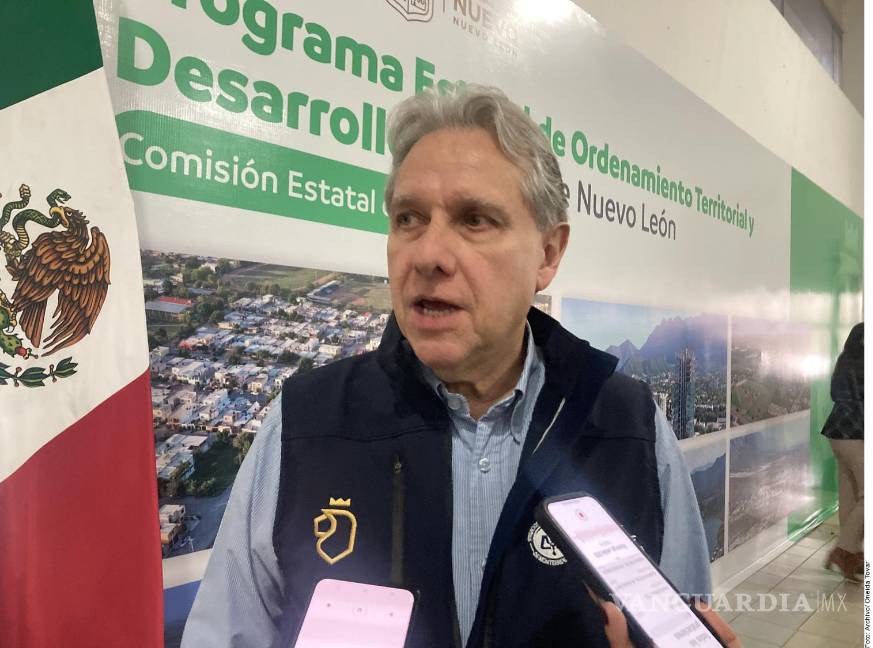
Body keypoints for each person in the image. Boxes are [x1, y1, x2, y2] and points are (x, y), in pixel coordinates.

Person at [181, 85, 725, 647]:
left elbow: (682, 631)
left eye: (474, 219)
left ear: (548, 253)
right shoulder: (305, 425)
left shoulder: (630, 429)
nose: (428, 254)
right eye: (409, 218)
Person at [822, 322, 864, 582]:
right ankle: (843, 550)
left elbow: (834, 393)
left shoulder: (844, 360)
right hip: (855, 433)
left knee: (849, 495)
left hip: (836, 432)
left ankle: (853, 555)